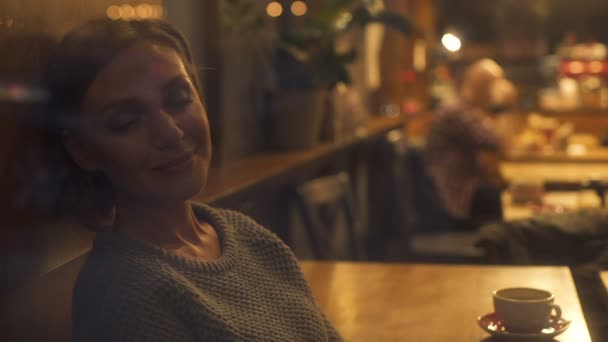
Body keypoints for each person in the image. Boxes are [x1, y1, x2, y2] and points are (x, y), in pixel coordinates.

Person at [45, 18, 341, 341]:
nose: (170, 133)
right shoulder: (126, 299)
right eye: (126, 121)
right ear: (82, 151)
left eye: (178, 99)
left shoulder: (245, 235)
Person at [425, 59, 516, 230]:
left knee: (507, 193)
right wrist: (505, 106)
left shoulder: (466, 108)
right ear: (484, 87)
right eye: (495, 86)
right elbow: (500, 143)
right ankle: (498, 253)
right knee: (501, 200)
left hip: (463, 189)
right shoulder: (457, 111)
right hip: (455, 196)